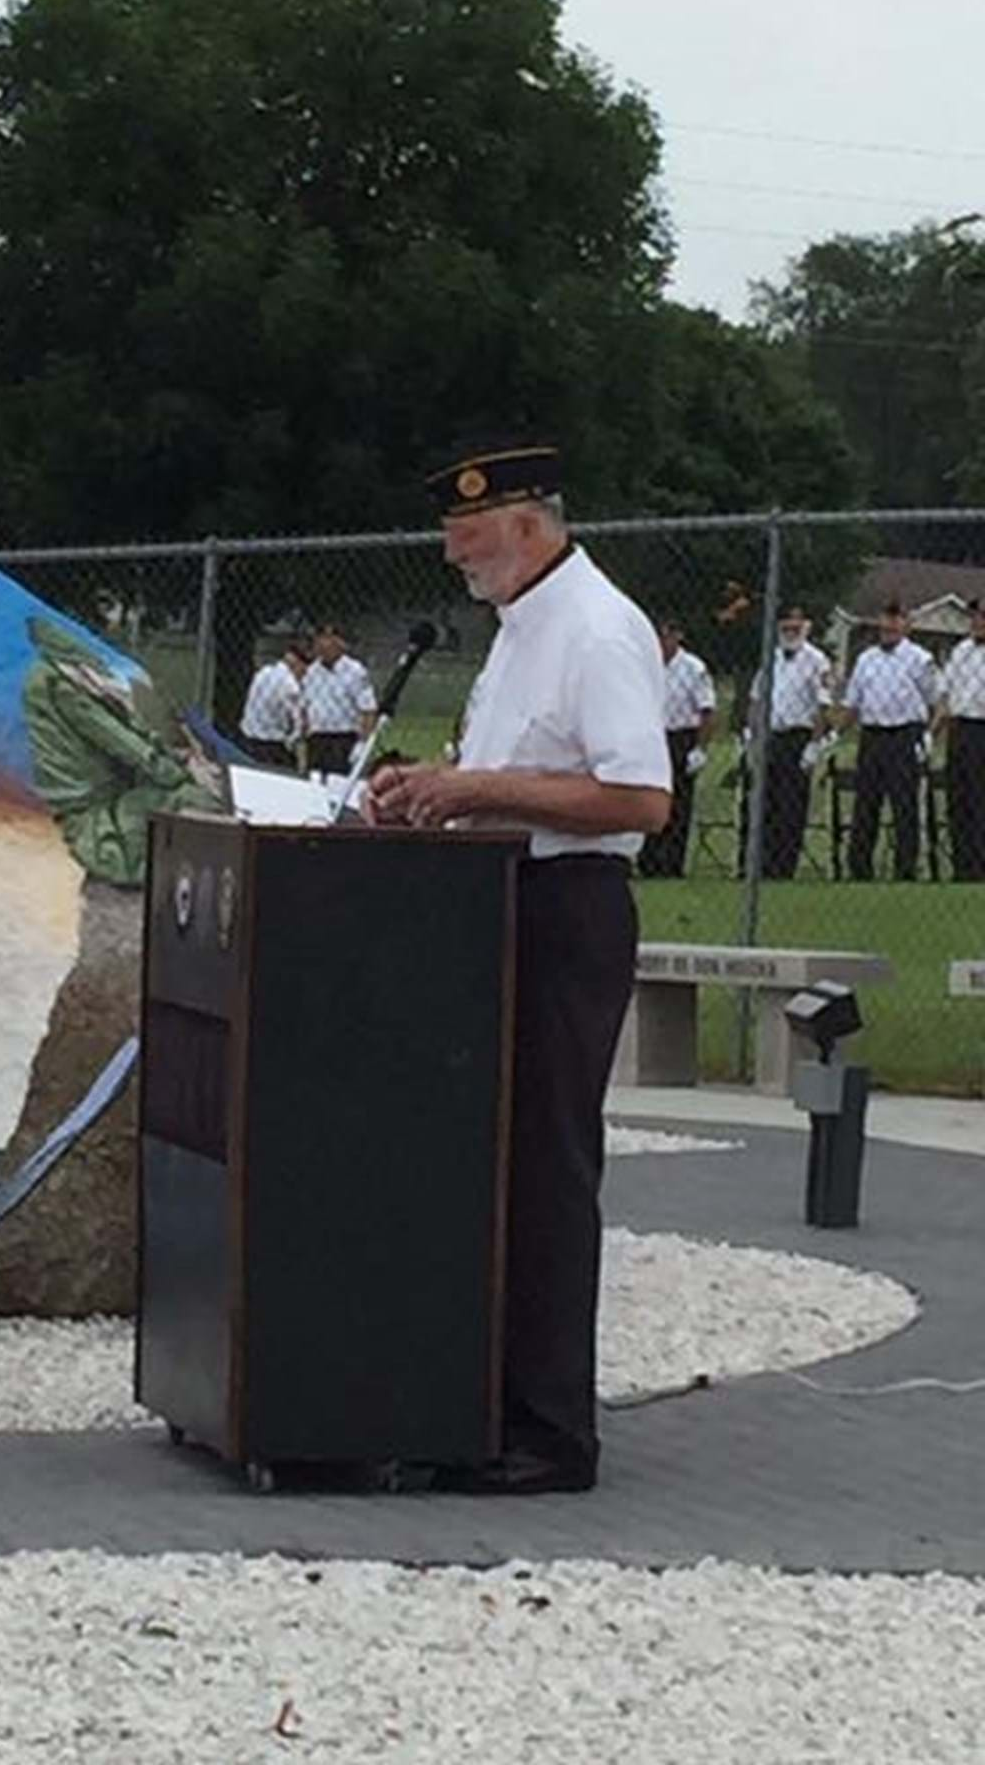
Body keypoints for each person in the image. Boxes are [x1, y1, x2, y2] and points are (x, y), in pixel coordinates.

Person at [365, 441, 670, 1495]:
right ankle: (478, 1399)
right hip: (495, 902)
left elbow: (641, 799)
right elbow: (509, 775)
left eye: (471, 533)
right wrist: (437, 788)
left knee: (545, 1169)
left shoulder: (594, 629)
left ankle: (550, 1431)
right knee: (492, 1165)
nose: (456, 554)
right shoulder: (519, 632)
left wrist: (484, 788)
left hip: (565, 908)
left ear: (530, 524)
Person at [20, 616, 223, 886]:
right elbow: (119, 740)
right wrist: (175, 774)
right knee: (190, 800)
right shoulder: (60, 682)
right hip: (92, 814)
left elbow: (132, 730)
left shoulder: (61, 674)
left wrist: (173, 758)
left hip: (94, 803)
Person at [840, 600, 939, 881]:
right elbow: (852, 704)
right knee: (865, 805)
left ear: (906, 624)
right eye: (886, 619)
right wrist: (835, 735)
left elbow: (936, 702)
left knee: (904, 805)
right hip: (872, 736)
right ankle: (859, 870)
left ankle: (905, 870)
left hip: (905, 735)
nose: (890, 626)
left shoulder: (920, 659)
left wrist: (929, 734)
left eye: (897, 620)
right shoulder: (865, 659)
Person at [746, 606, 834, 879]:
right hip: (772, 737)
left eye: (796, 625)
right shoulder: (770, 659)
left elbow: (823, 705)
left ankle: (784, 868)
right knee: (766, 805)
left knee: (791, 807)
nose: (791, 630)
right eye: (786, 625)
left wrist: (814, 744)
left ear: (805, 627)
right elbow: (756, 700)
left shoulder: (818, 661)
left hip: (798, 738)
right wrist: (751, 733)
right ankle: (762, 866)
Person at [637, 616, 716, 879]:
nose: (660, 642)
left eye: (665, 636)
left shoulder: (694, 668)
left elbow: (706, 710)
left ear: (677, 636)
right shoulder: (647, 665)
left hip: (681, 737)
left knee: (679, 803)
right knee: (650, 796)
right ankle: (648, 860)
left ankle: (672, 863)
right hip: (653, 736)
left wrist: (700, 749)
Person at [942, 597, 985, 880]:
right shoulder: (961, 651)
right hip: (960, 729)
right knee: (960, 799)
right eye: (976, 615)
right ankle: (963, 867)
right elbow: (947, 693)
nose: (978, 621)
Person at [301, 622, 379, 775]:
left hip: (343, 739)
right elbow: (305, 708)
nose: (323, 645)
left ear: (339, 643)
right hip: (317, 739)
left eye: (328, 639)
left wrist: (363, 743)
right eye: (319, 639)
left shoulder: (354, 671)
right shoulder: (311, 672)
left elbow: (368, 709)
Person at [239, 634, 310, 768]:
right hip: (272, 745)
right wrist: (293, 740)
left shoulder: (262, 672)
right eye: (304, 671)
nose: (304, 676)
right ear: (299, 665)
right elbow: (300, 723)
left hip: (248, 739)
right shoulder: (290, 685)